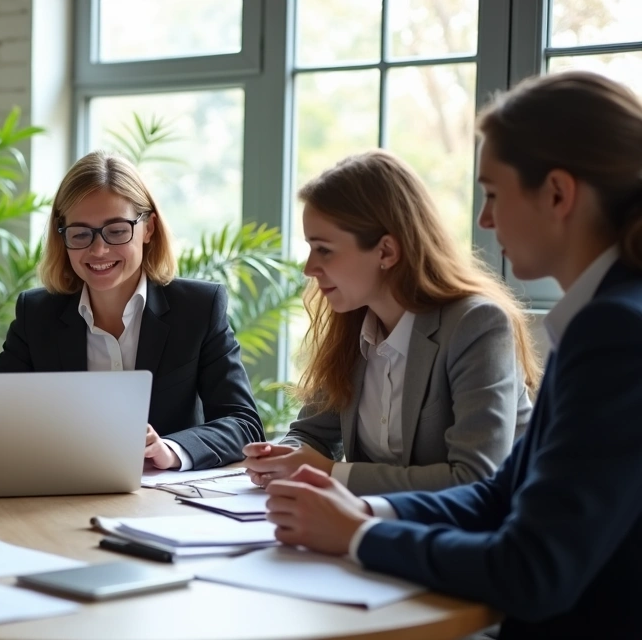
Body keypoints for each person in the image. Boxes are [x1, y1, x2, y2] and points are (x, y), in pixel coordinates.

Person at [263, 71, 642, 638]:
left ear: (557, 194)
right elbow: (500, 494)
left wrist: (359, 535)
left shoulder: (616, 331)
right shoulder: (601, 319)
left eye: (493, 194)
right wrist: (364, 513)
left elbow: (531, 569)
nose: (484, 219)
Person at [242, 150, 539, 495]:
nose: (309, 268)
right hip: (374, 521)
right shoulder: (351, 324)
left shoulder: (475, 324)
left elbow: (475, 477)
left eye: (324, 250)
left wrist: (331, 473)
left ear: (386, 251)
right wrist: (281, 457)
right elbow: (312, 434)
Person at [0, 151, 264, 470]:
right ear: (62, 236)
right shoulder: (37, 314)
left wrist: (170, 449)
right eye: (80, 234)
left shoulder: (198, 308)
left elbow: (243, 423)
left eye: (117, 230)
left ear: (148, 228)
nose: (99, 249)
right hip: (62, 487)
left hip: (162, 494)